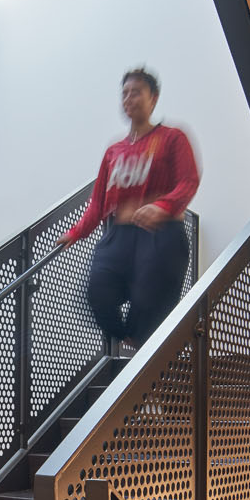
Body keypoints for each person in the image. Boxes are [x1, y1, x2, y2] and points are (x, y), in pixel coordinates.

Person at [60, 69, 199, 352]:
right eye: (124, 93)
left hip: (160, 233)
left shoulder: (172, 138)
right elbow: (99, 202)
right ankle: (131, 340)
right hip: (120, 236)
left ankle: (147, 352)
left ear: (154, 99)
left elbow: (188, 181)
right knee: (98, 290)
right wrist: (76, 232)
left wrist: (162, 206)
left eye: (136, 92)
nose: (128, 98)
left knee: (150, 298)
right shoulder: (114, 151)